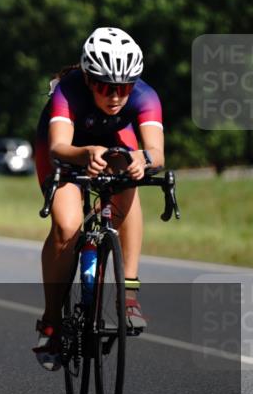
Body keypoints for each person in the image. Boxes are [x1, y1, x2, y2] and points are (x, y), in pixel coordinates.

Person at [32, 27, 165, 371]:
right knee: (67, 225)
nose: (116, 96)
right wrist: (85, 151)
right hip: (67, 149)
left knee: (129, 175)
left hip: (111, 139)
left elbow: (156, 152)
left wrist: (143, 160)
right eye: (106, 87)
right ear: (90, 80)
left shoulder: (145, 95)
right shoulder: (68, 91)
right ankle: (51, 323)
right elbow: (60, 147)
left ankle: (129, 295)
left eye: (124, 87)